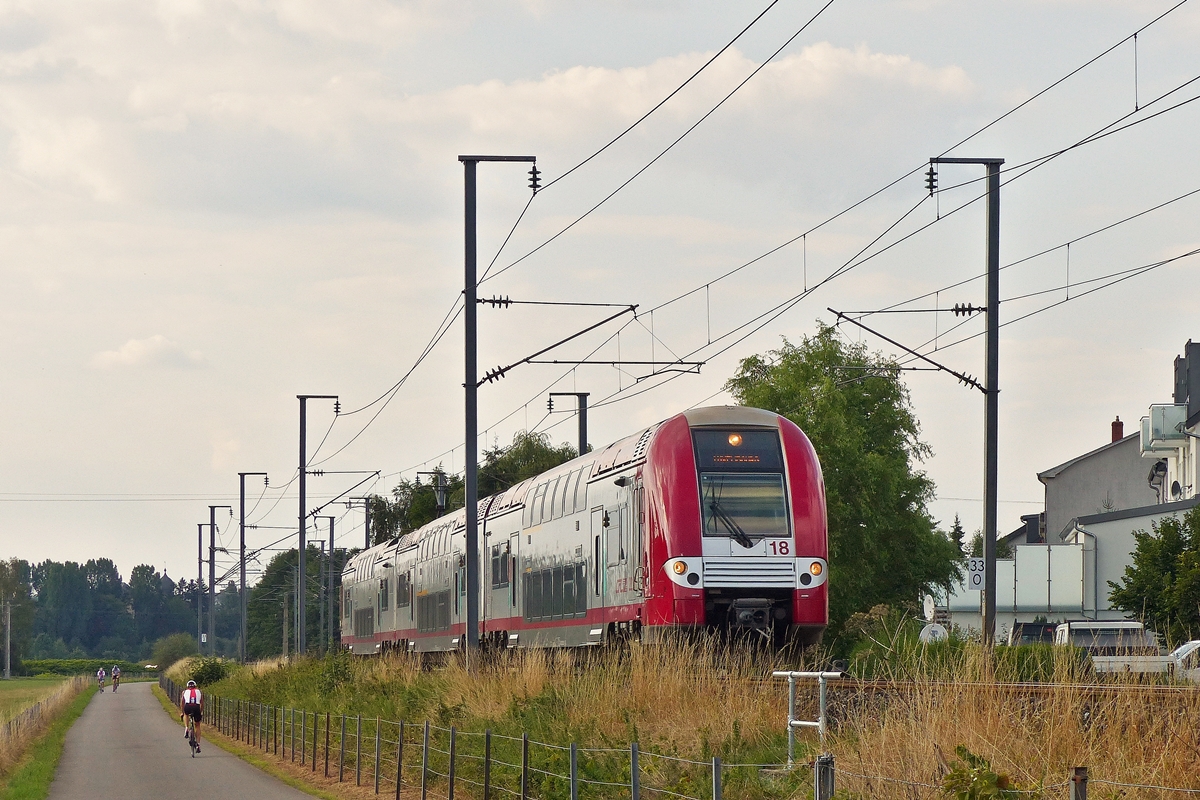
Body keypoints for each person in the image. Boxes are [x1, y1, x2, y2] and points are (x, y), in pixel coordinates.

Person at [179, 680, 203, 752]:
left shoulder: (184, 692)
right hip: (196, 707)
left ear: (187, 686)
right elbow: (202, 703)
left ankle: (186, 727)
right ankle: (198, 744)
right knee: (197, 725)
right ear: (195, 686)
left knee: (186, 714)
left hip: (188, 706)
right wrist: (200, 712)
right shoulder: (199, 691)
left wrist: (182, 712)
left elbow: (182, 703)